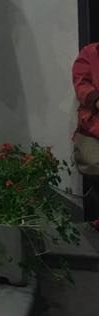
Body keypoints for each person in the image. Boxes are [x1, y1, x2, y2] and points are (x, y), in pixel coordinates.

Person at [73, 43, 99, 222]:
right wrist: (96, 99)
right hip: (92, 127)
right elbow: (81, 83)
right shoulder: (90, 53)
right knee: (92, 164)